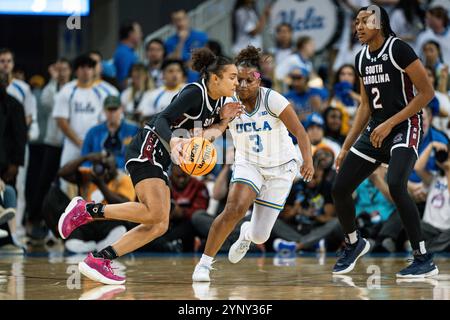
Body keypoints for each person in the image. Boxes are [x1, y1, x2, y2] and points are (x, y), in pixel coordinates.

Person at [57, 47, 243, 285]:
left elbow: (204, 138)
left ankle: (101, 259)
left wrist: (224, 121)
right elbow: (162, 119)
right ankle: (86, 210)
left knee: (159, 224)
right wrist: (175, 140)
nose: (237, 82)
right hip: (148, 147)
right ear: (215, 78)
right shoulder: (196, 91)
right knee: (153, 212)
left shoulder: (219, 104)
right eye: (232, 77)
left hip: (162, 158)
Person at [331, 6, 438, 278]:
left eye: (364, 22)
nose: (357, 27)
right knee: (340, 188)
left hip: (406, 123)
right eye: (355, 23)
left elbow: (427, 93)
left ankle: (423, 257)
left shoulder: (399, 49)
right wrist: (345, 147)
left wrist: (391, 122)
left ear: (378, 24)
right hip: (376, 129)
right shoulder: (360, 58)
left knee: (395, 183)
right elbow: (365, 106)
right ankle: (354, 244)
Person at [192, 46, 314, 282]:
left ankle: (247, 233)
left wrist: (307, 160)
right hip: (249, 163)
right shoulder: (227, 102)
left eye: (250, 80)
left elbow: (300, 131)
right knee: (233, 209)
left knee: (260, 235)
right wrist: (203, 135)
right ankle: (204, 264)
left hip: (281, 167)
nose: (244, 84)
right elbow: (214, 131)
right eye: (240, 79)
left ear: (259, 80)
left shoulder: (272, 99)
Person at [82, 96, 139, 171]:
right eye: (109, 110)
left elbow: (139, 156)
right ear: (104, 110)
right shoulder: (93, 132)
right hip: (99, 173)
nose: (112, 113)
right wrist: (92, 170)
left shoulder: (133, 130)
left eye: (115, 109)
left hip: (125, 173)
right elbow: (84, 157)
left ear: (121, 109)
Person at [113, 21, 143, 88]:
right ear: (131, 34)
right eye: (139, 32)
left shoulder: (128, 52)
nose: (141, 35)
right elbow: (124, 81)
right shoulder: (124, 54)